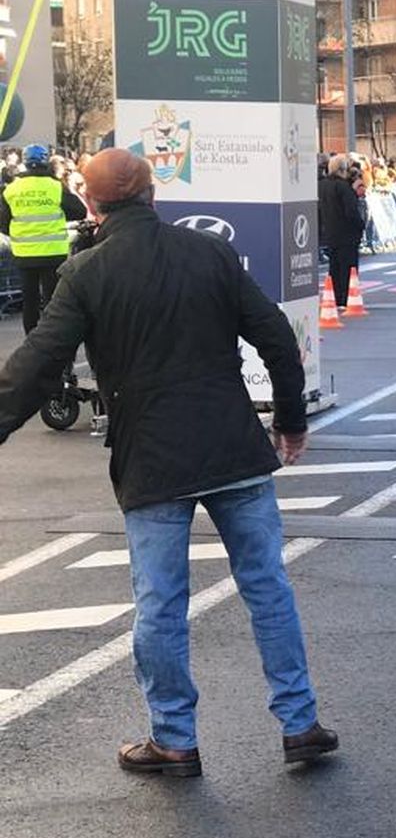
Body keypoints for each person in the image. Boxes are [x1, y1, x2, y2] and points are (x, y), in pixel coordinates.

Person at [0, 148, 338, 775]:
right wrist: (289, 420)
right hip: (233, 446)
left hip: (151, 458)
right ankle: (300, 724)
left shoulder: (86, 273)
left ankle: (174, 739)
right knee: (268, 587)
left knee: (160, 603)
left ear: (94, 206)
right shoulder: (208, 252)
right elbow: (274, 336)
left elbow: (38, 363)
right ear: (154, 196)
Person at [0, 144, 87, 335]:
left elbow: (3, 222)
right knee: (52, 300)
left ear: (24, 162)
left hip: (24, 254)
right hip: (52, 253)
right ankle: (52, 338)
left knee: (29, 301)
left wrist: (20, 233)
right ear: (45, 162)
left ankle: (32, 341)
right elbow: (79, 211)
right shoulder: (56, 186)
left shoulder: (11, 190)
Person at [318, 154, 365, 314]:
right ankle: (347, 297)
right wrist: (361, 225)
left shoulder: (322, 185)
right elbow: (351, 211)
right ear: (343, 169)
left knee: (334, 267)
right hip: (347, 233)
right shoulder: (343, 187)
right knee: (348, 267)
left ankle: (336, 296)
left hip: (330, 232)